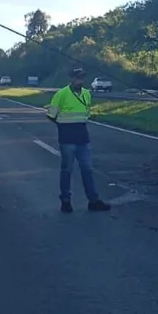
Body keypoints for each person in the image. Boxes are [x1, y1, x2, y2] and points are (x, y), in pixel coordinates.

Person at [46, 67, 111, 213]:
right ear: (71, 79)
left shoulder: (87, 94)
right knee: (67, 171)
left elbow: (86, 114)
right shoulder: (61, 94)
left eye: (81, 78)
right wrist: (63, 127)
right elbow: (51, 115)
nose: (79, 81)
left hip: (83, 139)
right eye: (77, 78)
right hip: (67, 140)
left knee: (87, 170)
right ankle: (65, 201)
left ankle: (93, 201)